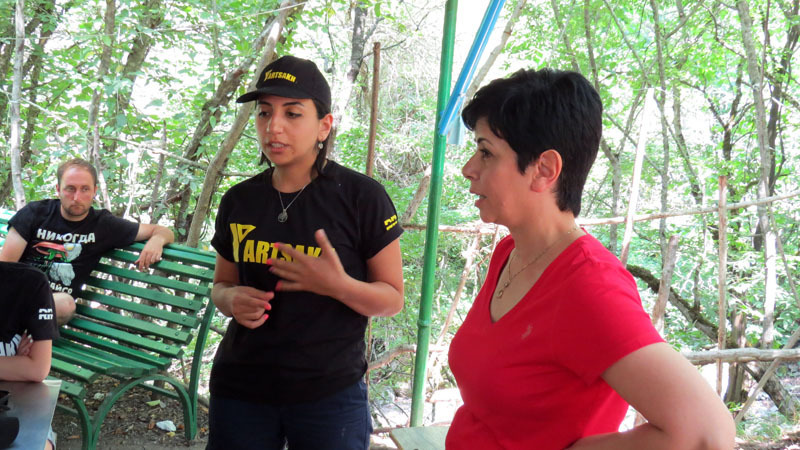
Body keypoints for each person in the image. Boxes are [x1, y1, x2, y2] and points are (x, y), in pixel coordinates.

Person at [446, 69, 735, 449]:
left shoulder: (588, 285)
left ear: (544, 170)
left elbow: (706, 433)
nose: (469, 168)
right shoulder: (510, 253)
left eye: (486, 152)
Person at [206, 55, 404, 449]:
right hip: (241, 387)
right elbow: (221, 286)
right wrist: (230, 299)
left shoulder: (362, 197)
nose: (273, 127)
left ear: (324, 126)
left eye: (293, 114)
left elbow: (392, 299)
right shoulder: (239, 200)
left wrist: (336, 285)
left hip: (328, 394)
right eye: (264, 113)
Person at [0, 158, 175, 325]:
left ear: (94, 191)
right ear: (58, 189)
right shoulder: (35, 213)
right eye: (70, 189)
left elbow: (163, 231)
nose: (77, 197)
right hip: (15, 297)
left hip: (50, 308)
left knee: (65, 305)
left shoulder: (103, 225)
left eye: (85, 189)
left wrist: (157, 240)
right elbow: (5, 268)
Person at [0, 261, 59, 449]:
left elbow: (37, 368)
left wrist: (21, 367)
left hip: (14, 396)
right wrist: (13, 364)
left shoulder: (29, 282)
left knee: (39, 445)